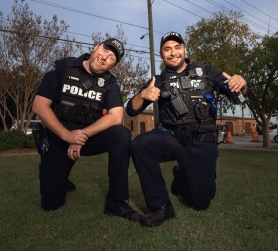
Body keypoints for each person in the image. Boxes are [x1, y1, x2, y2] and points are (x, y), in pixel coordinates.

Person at [126, 31, 247, 227]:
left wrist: (242, 85)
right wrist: (143, 94)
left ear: (184, 50)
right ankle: (161, 207)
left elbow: (238, 96)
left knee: (200, 203)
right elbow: (131, 109)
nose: (173, 53)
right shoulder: (158, 80)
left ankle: (182, 175)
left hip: (203, 142)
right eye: (167, 49)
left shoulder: (206, 72)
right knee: (140, 145)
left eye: (177, 47)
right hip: (172, 139)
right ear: (161, 54)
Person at [32, 38, 142, 222]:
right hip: (59, 137)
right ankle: (58, 175)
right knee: (51, 204)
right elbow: (39, 105)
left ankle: (116, 200)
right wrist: (68, 135)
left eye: (112, 58)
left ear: (112, 65)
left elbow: (116, 116)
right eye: (105, 50)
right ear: (95, 47)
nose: (106, 57)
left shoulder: (110, 82)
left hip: (86, 139)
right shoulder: (63, 66)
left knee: (122, 134)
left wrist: (81, 137)